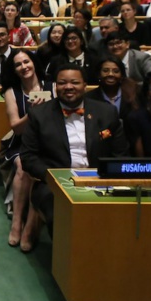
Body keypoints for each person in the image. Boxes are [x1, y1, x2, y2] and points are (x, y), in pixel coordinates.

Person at [20, 64, 129, 237]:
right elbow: (28, 157)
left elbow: (120, 153)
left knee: (124, 213)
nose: (68, 87)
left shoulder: (107, 112)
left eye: (75, 82)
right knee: (61, 216)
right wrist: (52, 177)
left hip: (101, 179)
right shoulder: (39, 115)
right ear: (55, 87)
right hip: (55, 183)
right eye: (62, 83)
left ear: (85, 85)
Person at [0, 51, 46, 251]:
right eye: (18, 64)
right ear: (14, 70)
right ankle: (17, 221)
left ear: (34, 63)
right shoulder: (11, 92)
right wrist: (32, 113)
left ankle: (30, 226)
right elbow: (16, 128)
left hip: (51, 142)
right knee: (23, 165)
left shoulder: (52, 86)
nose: (24, 67)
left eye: (26, 62)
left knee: (40, 169)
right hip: (23, 142)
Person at [87, 57, 140, 122]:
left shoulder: (134, 94)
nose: (110, 74)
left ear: (122, 75)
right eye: (105, 71)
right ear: (99, 74)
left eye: (116, 71)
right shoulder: (89, 98)